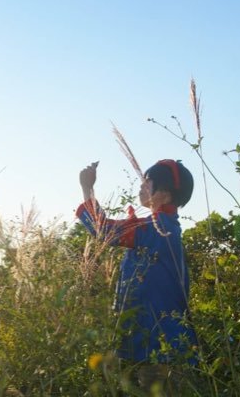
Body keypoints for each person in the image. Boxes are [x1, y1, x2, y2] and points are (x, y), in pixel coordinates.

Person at [76, 159, 198, 394]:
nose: (141, 187)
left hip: (157, 341)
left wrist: (87, 188)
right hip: (165, 340)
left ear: (165, 194)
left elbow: (104, 230)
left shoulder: (157, 229)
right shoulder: (163, 227)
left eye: (148, 182)